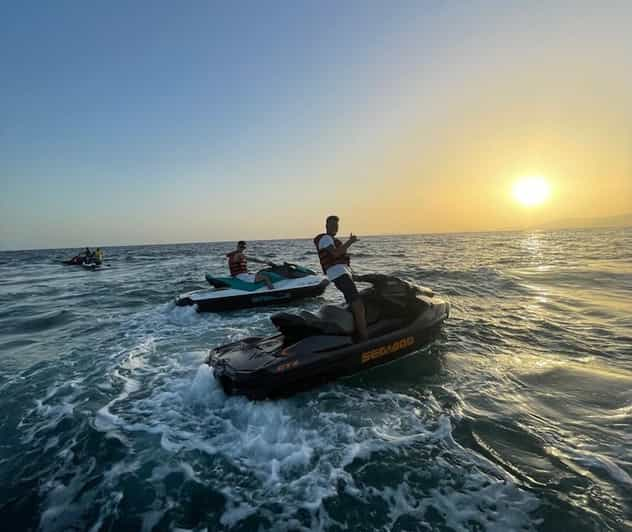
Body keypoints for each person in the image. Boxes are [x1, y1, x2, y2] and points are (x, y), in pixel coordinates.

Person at [314, 215, 368, 341]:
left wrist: (355, 275)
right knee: (358, 304)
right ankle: (365, 339)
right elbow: (335, 253)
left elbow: (341, 259)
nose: (335, 227)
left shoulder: (332, 240)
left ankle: (354, 330)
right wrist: (350, 242)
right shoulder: (326, 238)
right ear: (326, 226)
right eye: (332, 225)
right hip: (338, 274)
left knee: (352, 303)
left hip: (341, 274)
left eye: (336, 225)